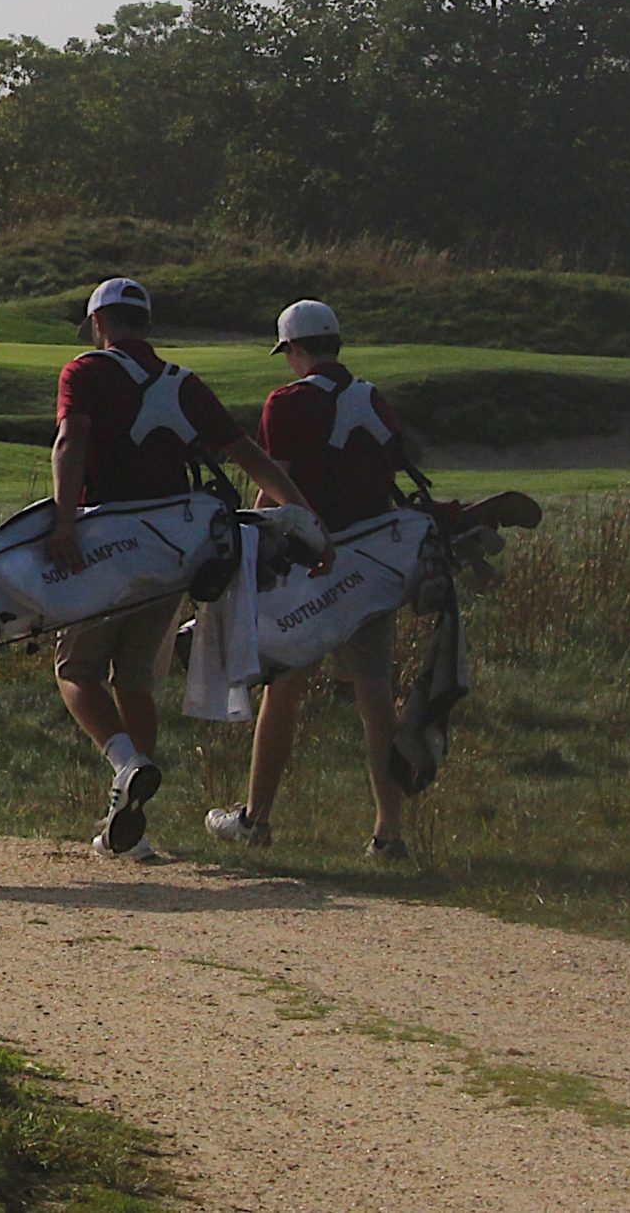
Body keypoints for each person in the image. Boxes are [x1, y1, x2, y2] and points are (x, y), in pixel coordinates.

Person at [51, 278, 318, 861]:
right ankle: (133, 828)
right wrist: (303, 515)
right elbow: (248, 454)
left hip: (106, 545)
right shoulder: (182, 383)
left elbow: (71, 442)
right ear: (146, 325)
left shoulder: (85, 372)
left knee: (76, 671)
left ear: (99, 323)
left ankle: (128, 764)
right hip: (174, 550)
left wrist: (65, 521)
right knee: (135, 681)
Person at [207, 300, 414, 860]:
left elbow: (277, 484)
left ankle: (257, 818)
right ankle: (389, 832)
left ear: (296, 349)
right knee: (376, 697)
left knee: (284, 692)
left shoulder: (288, 403)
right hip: (372, 564)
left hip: (308, 565)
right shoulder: (373, 398)